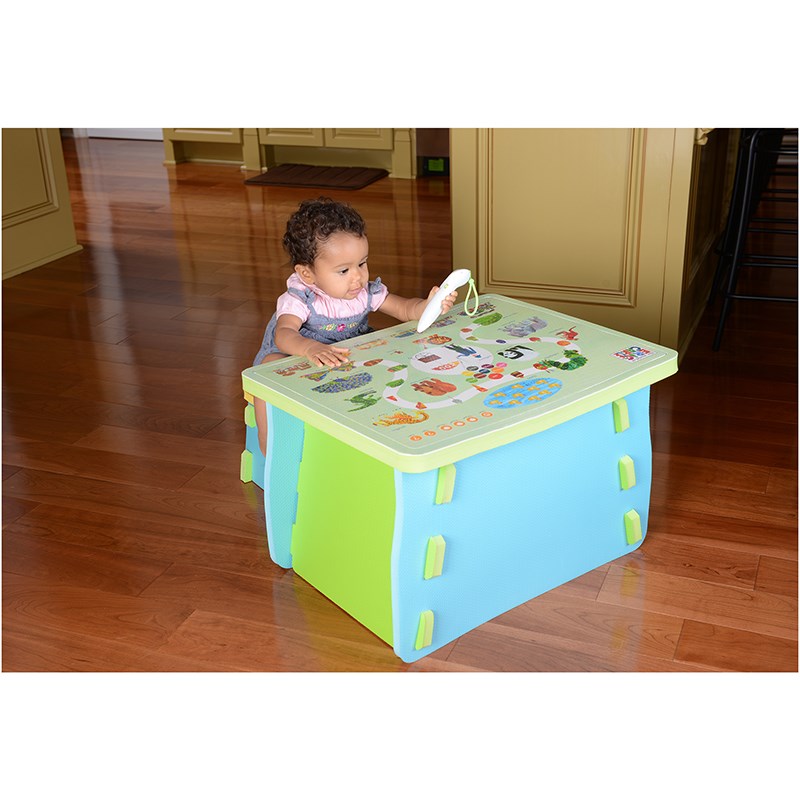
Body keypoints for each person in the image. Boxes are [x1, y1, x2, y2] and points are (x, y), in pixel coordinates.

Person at [251, 197, 458, 455]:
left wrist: (430, 305)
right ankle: (270, 445)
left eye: (362, 263)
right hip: (300, 356)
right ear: (307, 274)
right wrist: (309, 348)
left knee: (395, 357)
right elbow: (283, 334)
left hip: (346, 356)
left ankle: (376, 429)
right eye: (343, 271)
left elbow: (405, 309)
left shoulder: (363, 291)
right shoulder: (300, 297)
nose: (358, 277)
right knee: (268, 369)